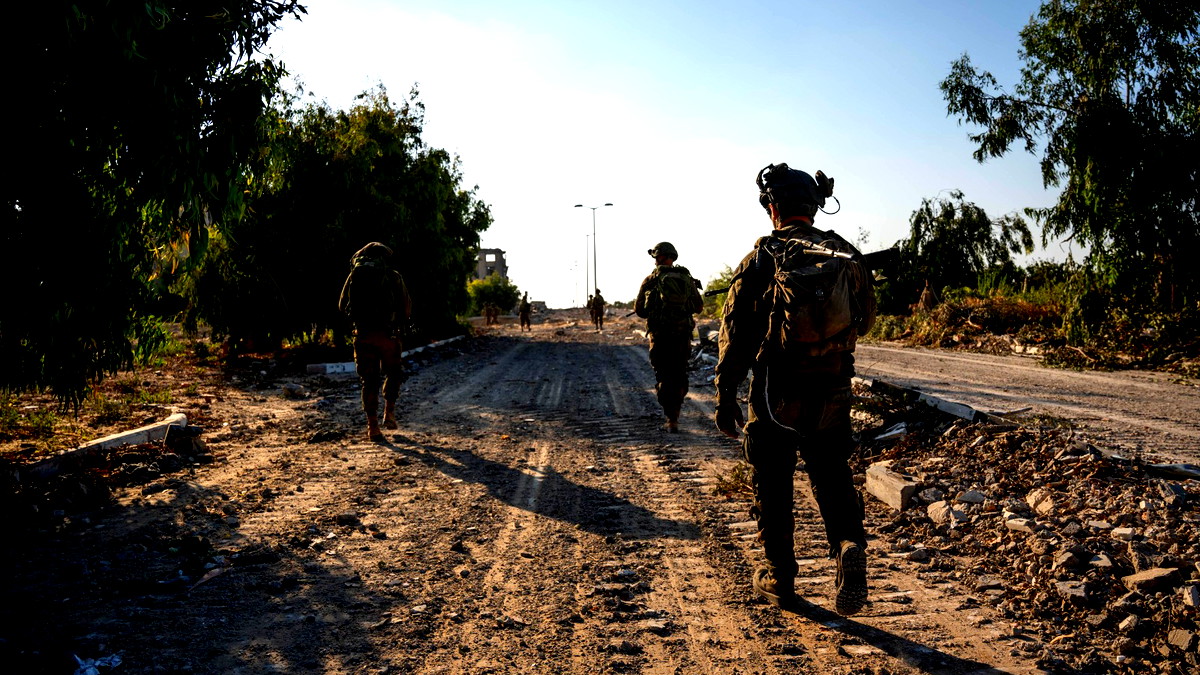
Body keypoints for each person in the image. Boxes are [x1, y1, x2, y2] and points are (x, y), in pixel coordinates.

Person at [714, 163, 876, 615]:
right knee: (831, 474)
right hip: (833, 388)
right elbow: (864, 319)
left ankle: (780, 576)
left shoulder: (765, 257)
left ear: (772, 208)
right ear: (814, 206)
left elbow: (736, 333)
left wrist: (725, 394)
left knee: (773, 481)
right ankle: (846, 544)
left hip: (775, 393)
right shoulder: (844, 254)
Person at [338, 242, 412, 442]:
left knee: (368, 380)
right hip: (389, 336)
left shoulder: (354, 276)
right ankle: (389, 413)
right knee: (394, 372)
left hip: (363, 335)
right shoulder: (394, 277)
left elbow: (342, 305)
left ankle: (373, 427)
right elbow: (406, 309)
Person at [635, 242, 703, 432]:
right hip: (682, 336)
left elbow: (639, 311)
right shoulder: (686, 279)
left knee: (663, 374)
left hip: (660, 337)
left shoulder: (651, 280)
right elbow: (698, 307)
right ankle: (676, 411)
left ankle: (670, 417)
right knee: (680, 373)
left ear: (660, 257)